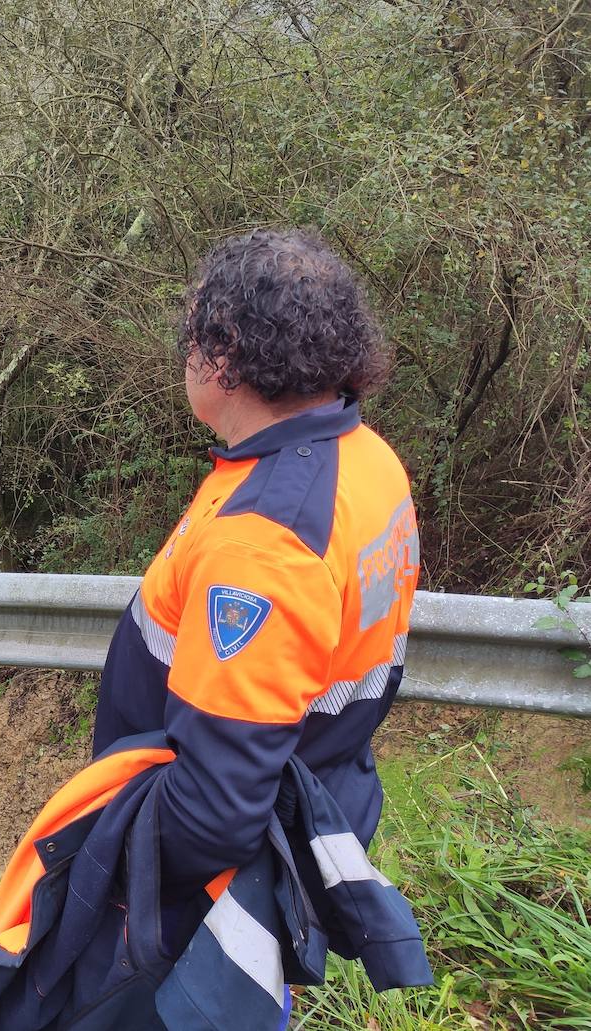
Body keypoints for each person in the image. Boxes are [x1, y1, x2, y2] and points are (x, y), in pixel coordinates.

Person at [94, 227, 421, 953]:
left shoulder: (265, 539)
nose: (185, 356)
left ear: (228, 354)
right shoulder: (364, 459)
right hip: (310, 798)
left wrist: (118, 873)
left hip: (200, 896)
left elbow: (213, 811)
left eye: (192, 337)